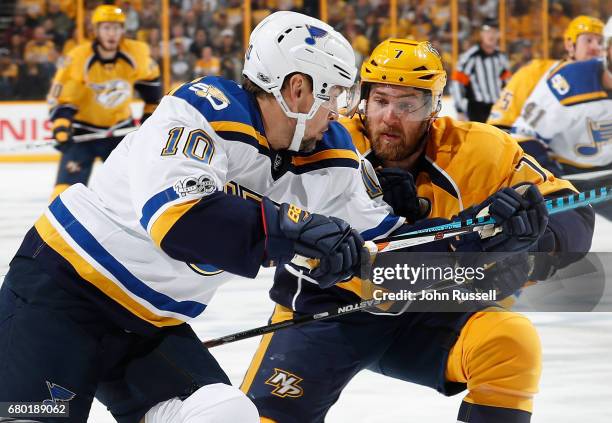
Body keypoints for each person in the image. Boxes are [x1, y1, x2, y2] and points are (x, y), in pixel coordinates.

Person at [0, 11, 394, 422]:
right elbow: (179, 220)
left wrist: (462, 252)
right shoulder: (201, 111)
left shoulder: (331, 156)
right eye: (332, 95)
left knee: (224, 413)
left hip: (150, 328)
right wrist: (292, 226)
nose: (338, 110)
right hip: (61, 291)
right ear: (298, 89)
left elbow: (391, 247)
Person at [241, 39, 595, 423]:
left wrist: (533, 245)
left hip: (430, 317)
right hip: (331, 313)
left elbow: (574, 210)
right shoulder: (327, 144)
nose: (390, 117)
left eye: (408, 104)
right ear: (362, 100)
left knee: (509, 342)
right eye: (381, 101)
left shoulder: (479, 151)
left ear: (434, 107)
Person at [46, 5, 162, 200]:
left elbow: (153, 94)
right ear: (96, 30)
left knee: (133, 193)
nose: (112, 33)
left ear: (123, 30)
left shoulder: (136, 54)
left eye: (117, 28)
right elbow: (62, 97)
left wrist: (149, 119)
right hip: (83, 132)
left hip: (119, 132)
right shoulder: (79, 58)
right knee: (63, 196)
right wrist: (61, 124)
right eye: (107, 28)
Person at [511, 16, 612, 220]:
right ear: (607, 49)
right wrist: (550, 180)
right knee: (565, 246)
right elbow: (524, 135)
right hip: (570, 178)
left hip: (607, 175)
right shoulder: (568, 81)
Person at [487, 15, 604, 132]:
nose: (596, 47)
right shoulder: (535, 72)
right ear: (569, 44)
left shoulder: (606, 84)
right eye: (588, 40)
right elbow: (500, 124)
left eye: (600, 42)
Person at [451, 19, 511, 122]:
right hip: (477, 109)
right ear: (482, 34)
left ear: (498, 35)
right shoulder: (470, 57)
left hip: (497, 108)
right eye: (488, 32)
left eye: (494, 32)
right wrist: (459, 109)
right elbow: (457, 83)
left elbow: (508, 83)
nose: (491, 35)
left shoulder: (501, 57)